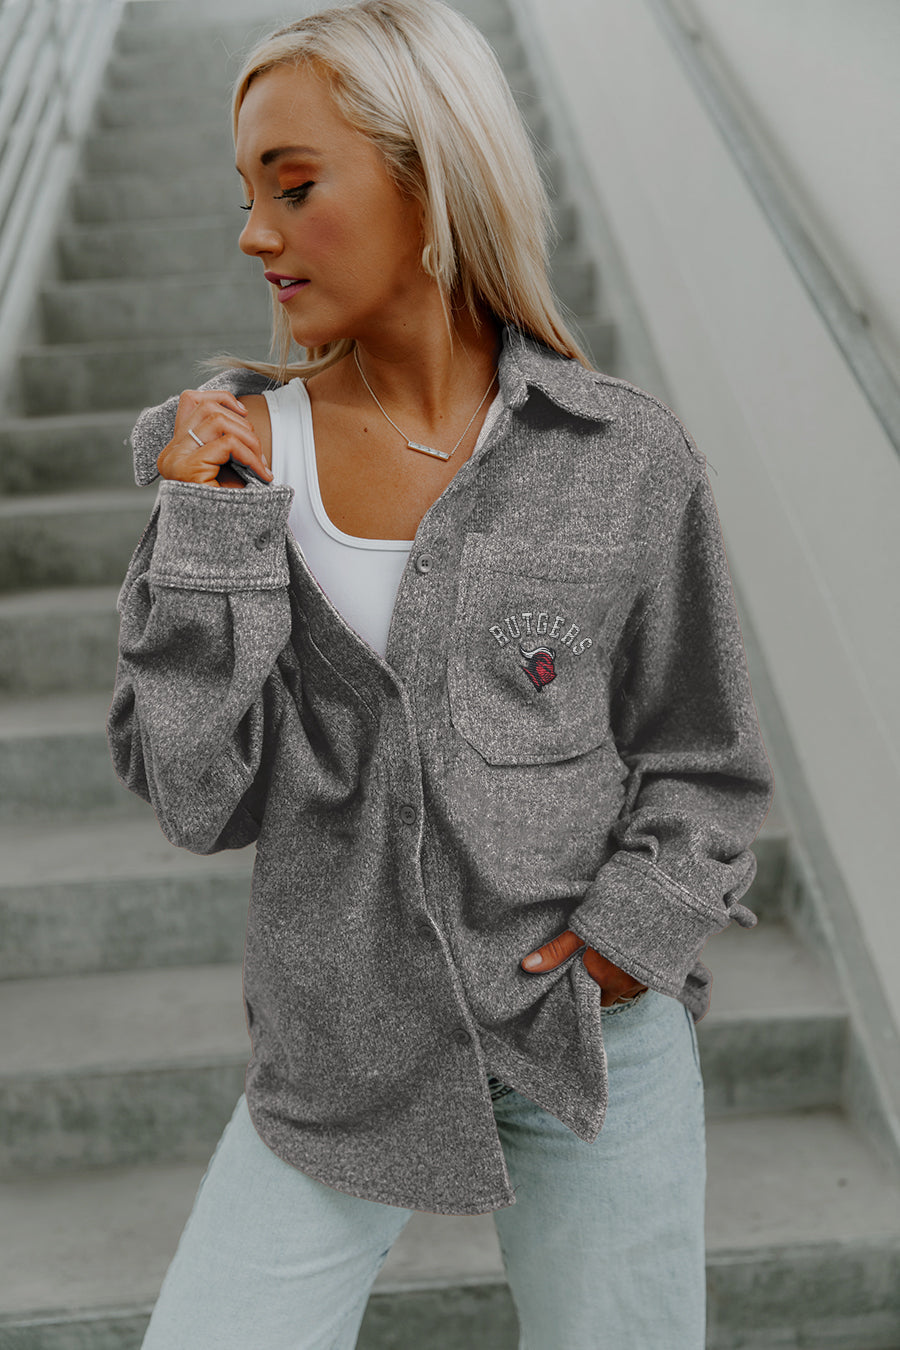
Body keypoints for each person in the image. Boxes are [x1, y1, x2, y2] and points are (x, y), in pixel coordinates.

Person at [106, 1, 774, 1346]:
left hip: (589, 1038)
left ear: (434, 181)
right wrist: (210, 535)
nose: (254, 235)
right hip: (339, 1054)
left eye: (295, 187)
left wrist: (624, 947)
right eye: (246, 194)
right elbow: (194, 795)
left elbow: (707, 758)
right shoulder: (228, 458)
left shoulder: (623, 458)